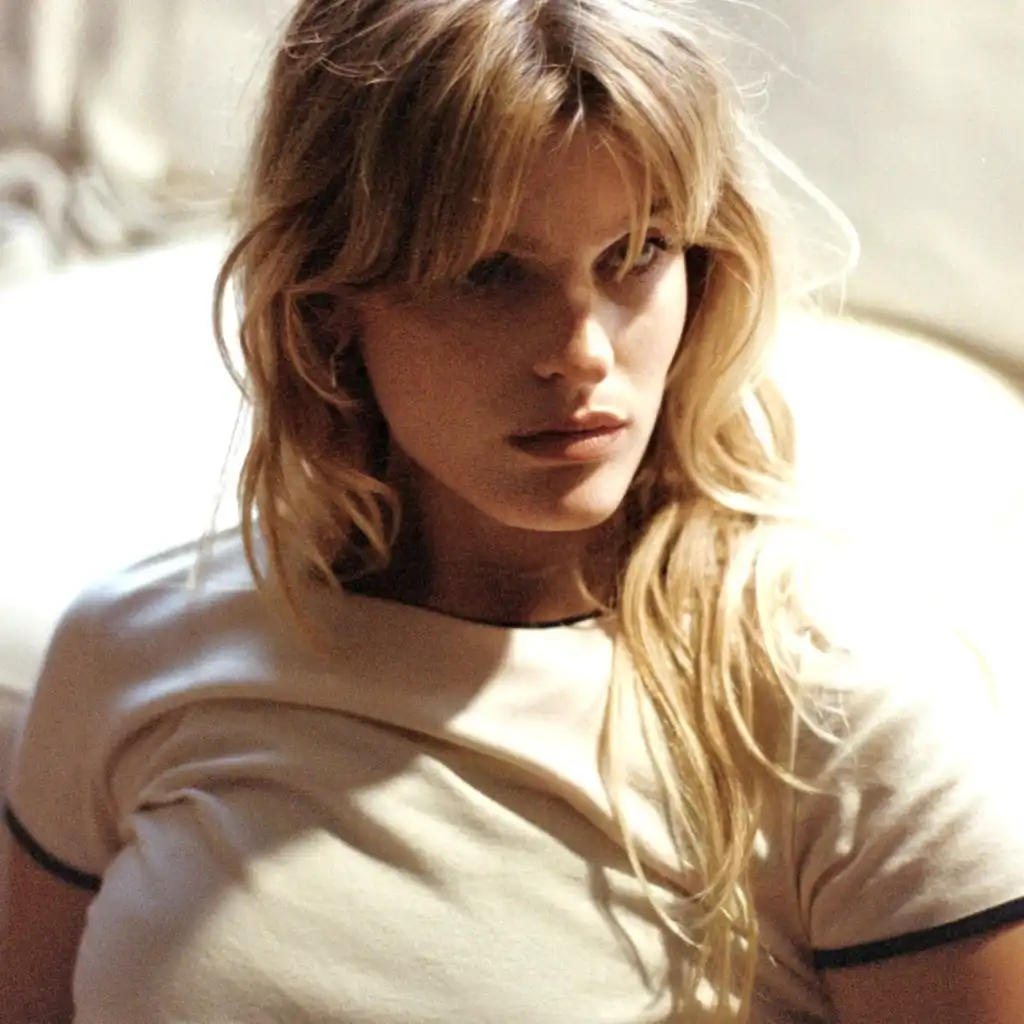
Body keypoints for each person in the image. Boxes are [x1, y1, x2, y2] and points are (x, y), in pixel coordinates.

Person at [3, 0, 1023, 1020]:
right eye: (491, 273)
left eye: (637, 253)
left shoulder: (840, 710)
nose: (583, 351)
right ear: (328, 307)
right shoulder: (132, 652)